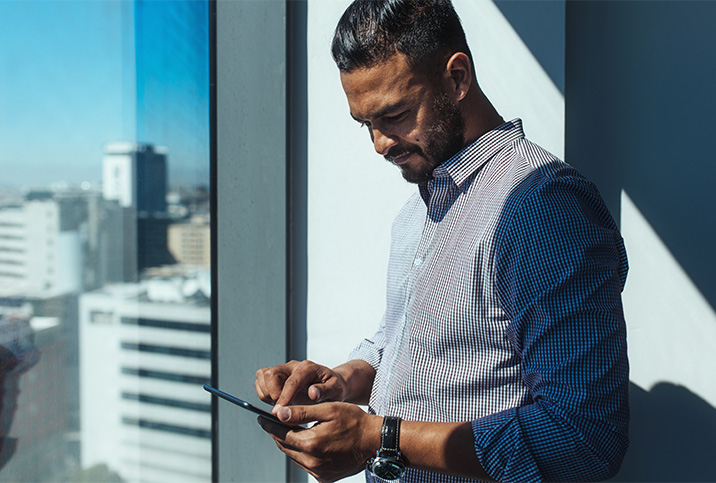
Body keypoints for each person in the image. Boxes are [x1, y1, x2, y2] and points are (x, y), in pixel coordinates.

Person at [255, 1, 629, 482]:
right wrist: (341, 383)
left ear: (456, 79)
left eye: (394, 115)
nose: (379, 144)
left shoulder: (541, 205)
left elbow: (583, 436)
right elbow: (413, 348)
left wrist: (378, 438)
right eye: (364, 124)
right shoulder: (418, 211)